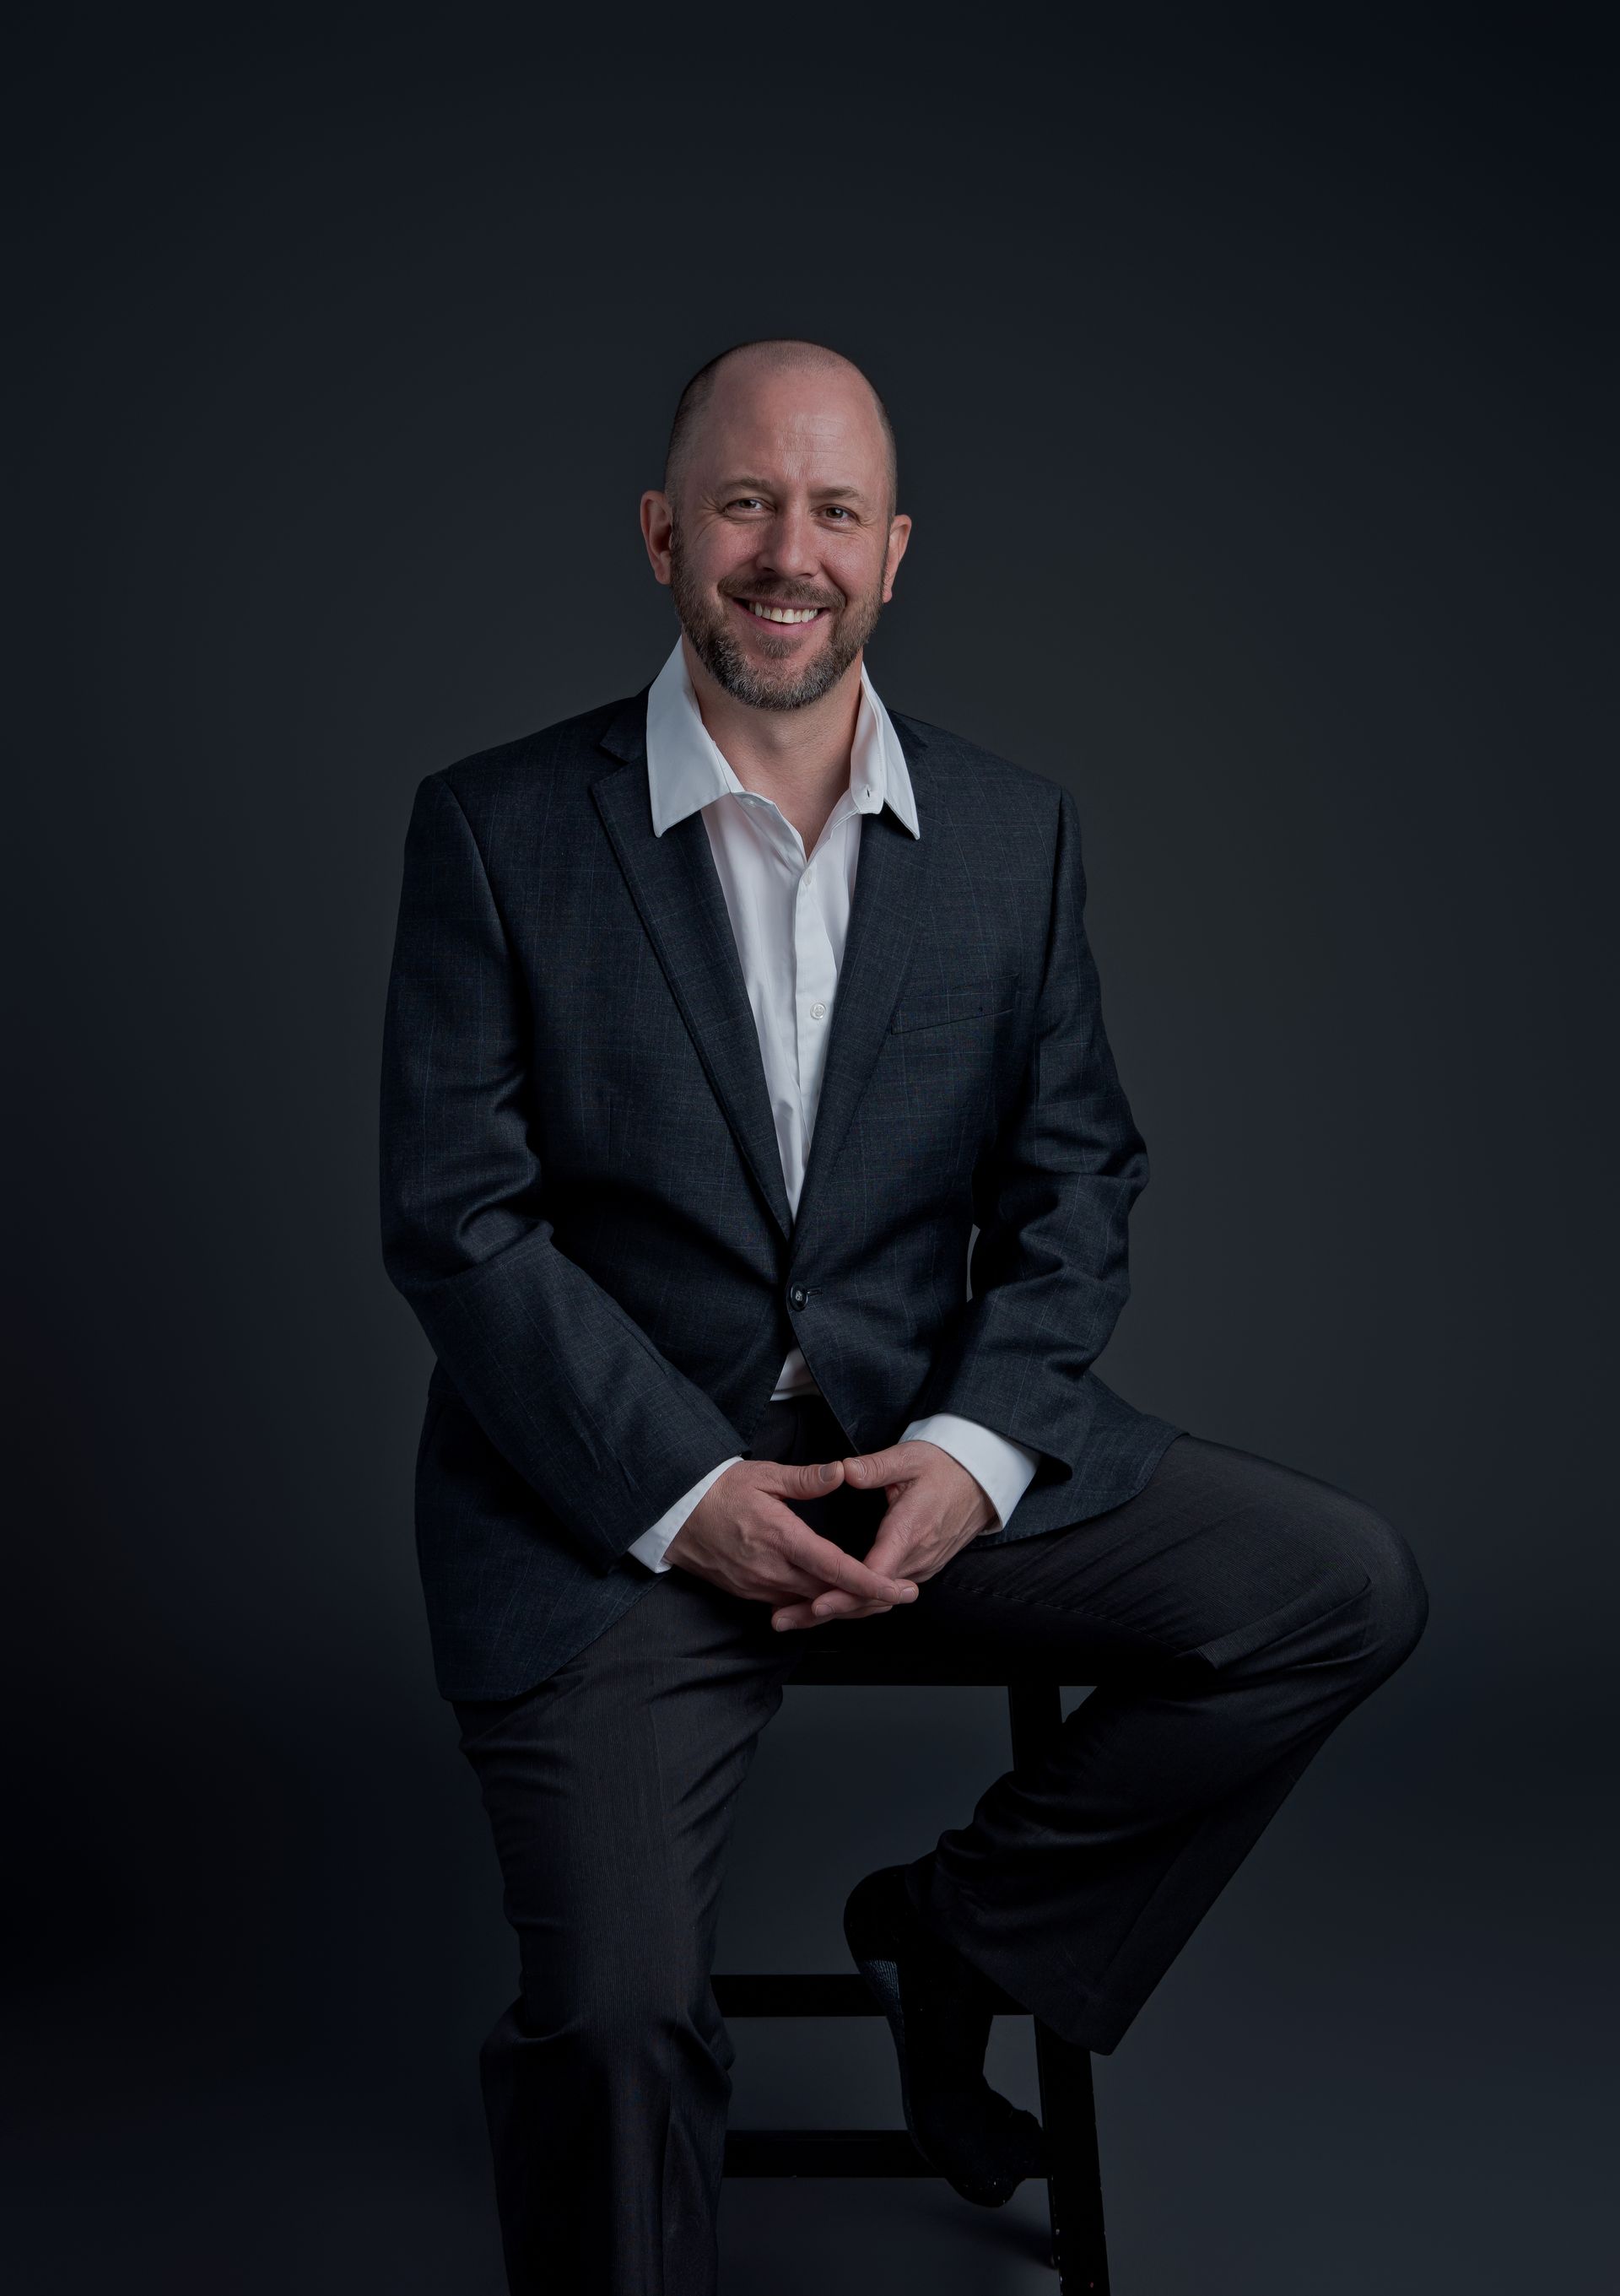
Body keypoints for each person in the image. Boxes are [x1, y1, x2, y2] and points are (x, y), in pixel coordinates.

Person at [379, 338, 1428, 2295]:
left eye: (835, 510)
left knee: (1341, 1589)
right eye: (749, 504)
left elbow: (1076, 1178)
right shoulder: (498, 828)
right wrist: (683, 1488)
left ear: (896, 552)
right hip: (611, 1511)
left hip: (910, 1471)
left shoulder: (1016, 841)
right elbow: (456, 1219)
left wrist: (969, 1453)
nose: (792, 552)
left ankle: (958, 1937)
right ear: (662, 531)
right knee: (612, 2028)